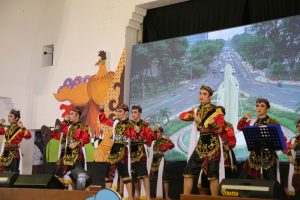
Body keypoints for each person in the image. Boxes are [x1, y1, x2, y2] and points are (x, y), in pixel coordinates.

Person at [179, 85, 225, 196]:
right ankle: (186, 198)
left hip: (213, 144)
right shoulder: (196, 110)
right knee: (188, 171)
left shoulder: (216, 110)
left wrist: (208, 122)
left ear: (210, 97)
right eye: (200, 93)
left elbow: (220, 129)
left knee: (213, 175)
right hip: (201, 144)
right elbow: (182, 116)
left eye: (204, 94)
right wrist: (193, 115)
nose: (201, 96)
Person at [237, 98, 287, 181]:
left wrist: (288, 152)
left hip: (268, 157)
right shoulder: (252, 121)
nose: (259, 108)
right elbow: (240, 127)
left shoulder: (272, 122)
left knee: (270, 184)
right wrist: (244, 118)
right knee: (243, 182)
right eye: (257, 106)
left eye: (262, 106)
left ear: (267, 109)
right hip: (254, 157)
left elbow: (282, 138)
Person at [98, 103, 134, 200]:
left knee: (125, 174)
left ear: (126, 113)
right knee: (108, 174)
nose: (117, 113)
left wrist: (137, 130)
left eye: (120, 111)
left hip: (123, 149)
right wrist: (101, 111)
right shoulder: (115, 122)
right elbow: (104, 121)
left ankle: (130, 197)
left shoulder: (130, 124)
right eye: (117, 111)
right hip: (114, 149)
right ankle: (106, 197)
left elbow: (134, 135)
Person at [52, 107, 90, 189]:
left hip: (77, 154)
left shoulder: (83, 126)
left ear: (77, 116)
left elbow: (87, 138)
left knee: (80, 179)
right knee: (57, 173)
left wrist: (77, 143)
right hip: (67, 154)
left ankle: (81, 196)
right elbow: (62, 135)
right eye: (70, 114)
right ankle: (65, 191)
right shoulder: (69, 127)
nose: (69, 115)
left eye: (71, 114)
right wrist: (63, 123)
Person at [130, 105, 155, 200]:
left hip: (141, 151)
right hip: (131, 151)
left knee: (144, 174)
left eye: (135, 112)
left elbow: (151, 137)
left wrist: (140, 131)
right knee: (134, 175)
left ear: (140, 114)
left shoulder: (144, 124)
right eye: (132, 112)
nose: (133, 114)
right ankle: (137, 195)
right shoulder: (129, 124)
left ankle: (148, 197)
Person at [149, 125, 174, 200]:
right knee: (148, 178)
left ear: (162, 133)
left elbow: (171, 146)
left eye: (158, 132)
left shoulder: (164, 140)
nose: (156, 133)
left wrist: (169, 141)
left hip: (161, 160)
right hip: (152, 160)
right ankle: (148, 195)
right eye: (155, 132)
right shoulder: (153, 141)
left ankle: (166, 196)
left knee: (164, 179)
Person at [218, 106, 237, 178]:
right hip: (212, 154)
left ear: (223, 115)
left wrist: (228, 146)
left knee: (226, 178)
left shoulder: (228, 126)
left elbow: (232, 140)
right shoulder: (209, 126)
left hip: (225, 155)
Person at [287, 120, 300, 198]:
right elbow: (287, 148)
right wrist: (290, 156)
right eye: (298, 126)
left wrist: (296, 146)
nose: (299, 128)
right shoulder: (294, 139)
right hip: (297, 170)